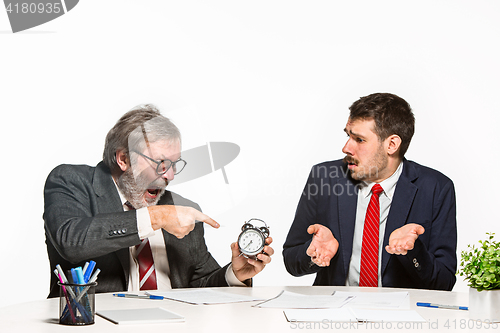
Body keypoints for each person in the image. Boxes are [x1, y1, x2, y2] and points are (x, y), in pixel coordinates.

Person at [44, 104, 273, 298]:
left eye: (174, 165)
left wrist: (234, 274)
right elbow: (70, 240)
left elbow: (201, 285)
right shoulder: (71, 181)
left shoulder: (183, 209)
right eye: (160, 163)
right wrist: (155, 218)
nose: (170, 176)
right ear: (123, 158)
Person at [282, 93, 456, 291]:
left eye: (359, 139)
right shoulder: (324, 178)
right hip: (336, 312)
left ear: (392, 144)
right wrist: (313, 253)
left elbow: (445, 282)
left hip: (400, 316)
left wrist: (414, 251)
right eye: (348, 135)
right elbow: (291, 260)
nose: (346, 147)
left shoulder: (436, 188)